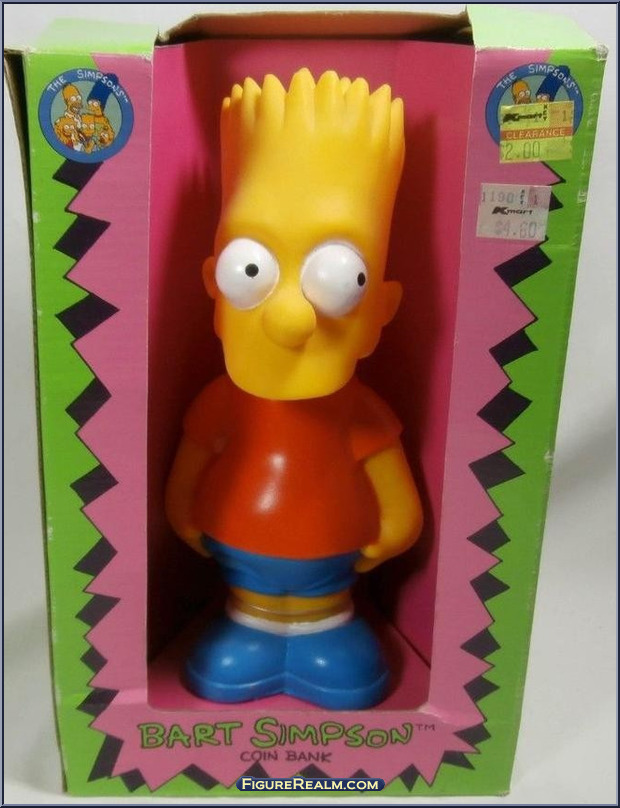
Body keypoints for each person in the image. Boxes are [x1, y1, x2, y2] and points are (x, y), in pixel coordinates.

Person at [166, 69, 422, 709]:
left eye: (337, 277)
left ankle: (321, 636)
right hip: (240, 573)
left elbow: (396, 494)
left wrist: (395, 527)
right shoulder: (223, 402)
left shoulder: (359, 412)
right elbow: (192, 462)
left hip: (331, 582)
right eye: (249, 269)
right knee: (240, 637)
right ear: (215, 284)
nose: (289, 317)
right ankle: (253, 631)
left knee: (335, 648)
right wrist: (183, 510)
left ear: (381, 307)